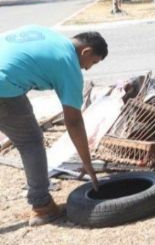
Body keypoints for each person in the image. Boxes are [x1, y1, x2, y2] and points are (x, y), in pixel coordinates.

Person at [0, 26, 107, 226]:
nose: (88, 68)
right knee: (30, 141)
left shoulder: (49, 35)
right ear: (86, 51)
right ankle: (42, 206)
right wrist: (87, 162)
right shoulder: (68, 63)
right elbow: (73, 121)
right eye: (92, 63)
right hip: (2, 85)